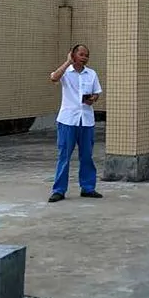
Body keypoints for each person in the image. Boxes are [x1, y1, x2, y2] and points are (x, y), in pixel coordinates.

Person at [47, 44, 103, 202]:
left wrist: (93, 99)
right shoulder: (66, 72)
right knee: (64, 156)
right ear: (73, 55)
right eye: (81, 54)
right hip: (68, 120)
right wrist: (67, 62)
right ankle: (59, 190)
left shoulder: (91, 74)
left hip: (86, 121)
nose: (84, 58)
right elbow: (53, 78)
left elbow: (97, 92)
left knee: (87, 156)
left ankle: (88, 188)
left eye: (87, 55)